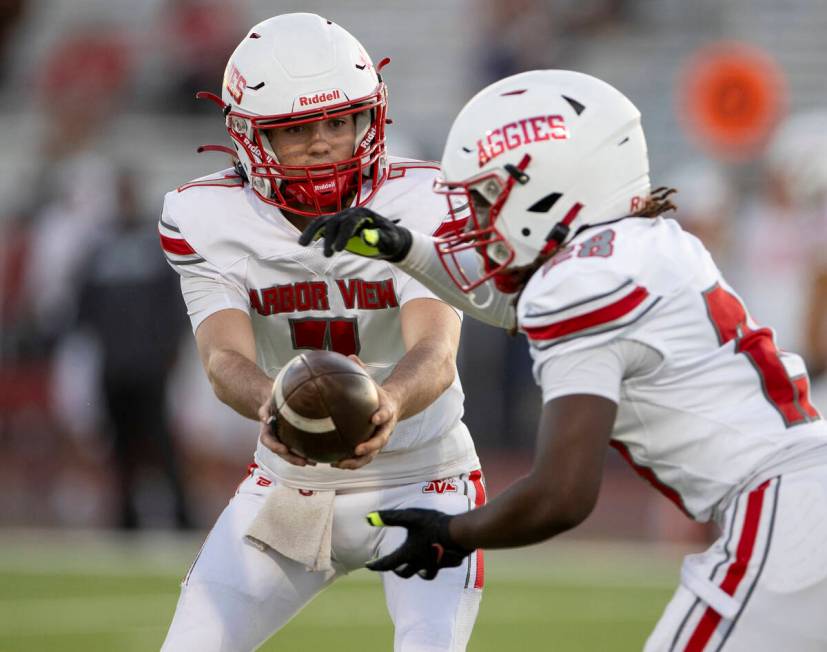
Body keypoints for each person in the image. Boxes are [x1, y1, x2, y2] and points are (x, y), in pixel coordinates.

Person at [301, 70, 827, 651]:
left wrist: (450, 532)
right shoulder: (650, 242)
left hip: (786, 519)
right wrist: (403, 247)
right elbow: (514, 302)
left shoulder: (580, 284)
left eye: (483, 197)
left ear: (544, 188)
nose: (474, 221)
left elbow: (562, 495)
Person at [159, 13, 484, 652]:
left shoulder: (424, 199)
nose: (322, 143)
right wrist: (275, 404)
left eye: (339, 121)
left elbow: (435, 351)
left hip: (425, 475)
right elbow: (223, 357)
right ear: (250, 138)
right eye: (297, 128)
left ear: (371, 117)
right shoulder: (207, 216)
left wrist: (387, 402)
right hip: (288, 478)